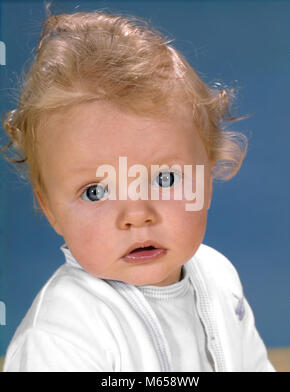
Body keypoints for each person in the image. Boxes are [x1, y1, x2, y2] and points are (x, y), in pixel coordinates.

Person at [0, 8, 275, 372]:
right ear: (50, 209)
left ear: (206, 178)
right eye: (95, 192)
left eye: (165, 179)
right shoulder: (61, 337)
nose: (136, 215)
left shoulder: (219, 276)